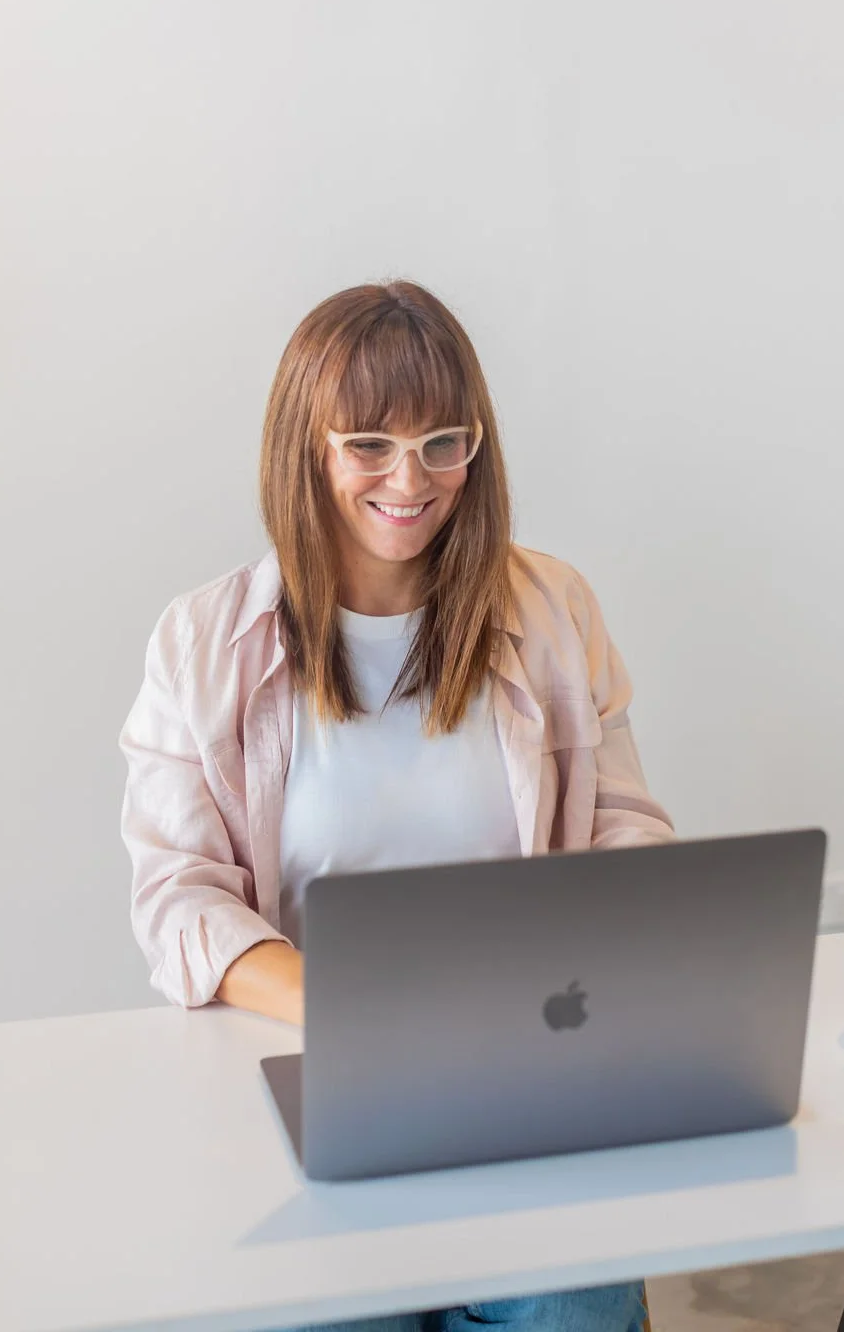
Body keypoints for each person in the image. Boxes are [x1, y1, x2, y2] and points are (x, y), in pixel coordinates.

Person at [119, 280, 674, 1332]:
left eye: (441, 443)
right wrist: (359, 1011)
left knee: (579, 1306)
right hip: (320, 1097)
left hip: (524, 1087)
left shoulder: (553, 609)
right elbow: (178, 901)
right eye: (368, 443)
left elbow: (625, 826)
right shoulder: (198, 645)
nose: (408, 481)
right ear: (307, 450)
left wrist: (619, 945)